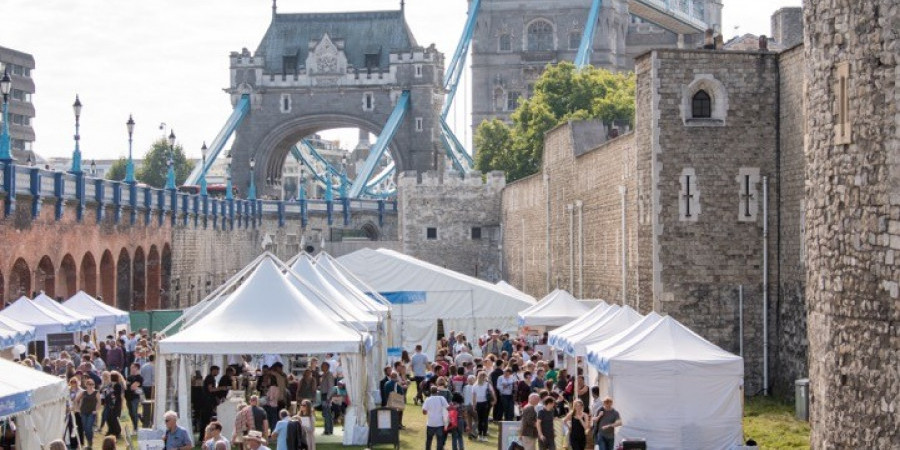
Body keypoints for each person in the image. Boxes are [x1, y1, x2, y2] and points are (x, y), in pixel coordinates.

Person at [76, 377, 100, 448]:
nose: (91, 385)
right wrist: (78, 408)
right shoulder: (83, 392)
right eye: (89, 384)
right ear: (86, 385)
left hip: (91, 413)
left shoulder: (96, 392)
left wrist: (96, 410)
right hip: (83, 412)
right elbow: (77, 400)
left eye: (92, 384)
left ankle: (90, 443)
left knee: (88, 428)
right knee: (85, 428)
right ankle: (89, 442)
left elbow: (99, 402)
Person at [422, 386, 449, 450]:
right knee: (439, 440)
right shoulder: (441, 398)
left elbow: (424, 412)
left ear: (430, 392)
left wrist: (429, 411)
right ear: (437, 391)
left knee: (429, 440)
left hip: (430, 423)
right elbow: (448, 408)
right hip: (440, 423)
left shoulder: (427, 399)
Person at [470, 371, 493, 442]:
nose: (483, 378)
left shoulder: (484, 385)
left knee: (483, 420)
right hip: (481, 404)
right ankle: (481, 435)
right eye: (483, 376)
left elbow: (474, 397)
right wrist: (474, 406)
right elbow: (473, 397)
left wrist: (474, 406)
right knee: (482, 420)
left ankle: (483, 435)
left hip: (484, 403)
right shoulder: (477, 385)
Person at [125, 362, 144, 430]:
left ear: (136, 368)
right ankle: (139, 417)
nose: (131, 369)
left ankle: (135, 428)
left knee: (134, 412)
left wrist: (128, 386)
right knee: (130, 413)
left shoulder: (139, 378)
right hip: (127, 397)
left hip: (134, 398)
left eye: (132, 367)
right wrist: (128, 386)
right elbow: (126, 386)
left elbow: (132, 387)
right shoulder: (129, 377)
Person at [106, 371, 124, 438]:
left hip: (116, 404)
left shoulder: (118, 385)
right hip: (110, 404)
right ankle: (111, 430)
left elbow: (117, 395)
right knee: (109, 418)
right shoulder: (110, 385)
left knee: (115, 418)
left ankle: (117, 432)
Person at [319, 362, 336, 435]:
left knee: (327, 413)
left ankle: (328, 430)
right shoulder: (324, 375)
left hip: (327, 395)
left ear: (327, 367)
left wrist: (329, 397)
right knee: (326, 413)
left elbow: (330, 386)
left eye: (323, 366)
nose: (321, 367)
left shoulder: (329, 375)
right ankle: (327, 429)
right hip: (323, 395)